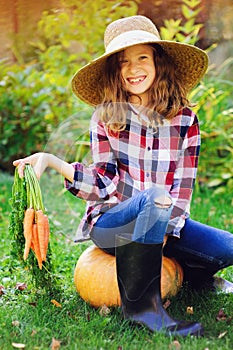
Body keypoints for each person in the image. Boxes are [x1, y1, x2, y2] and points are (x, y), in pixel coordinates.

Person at [13, 15, 233, 337]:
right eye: (123, 62)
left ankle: (194, 275)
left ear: (158, 62)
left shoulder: (185, 119)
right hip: (111, 224)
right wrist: (53, 161)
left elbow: (182, 188)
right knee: (154, 198)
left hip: (163, 222)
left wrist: (166, 232)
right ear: (115, 70)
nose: (133, 69)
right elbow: (103, 182)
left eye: (142, 57)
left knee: (226, 248)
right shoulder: (105, 117)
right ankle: (144, 309)